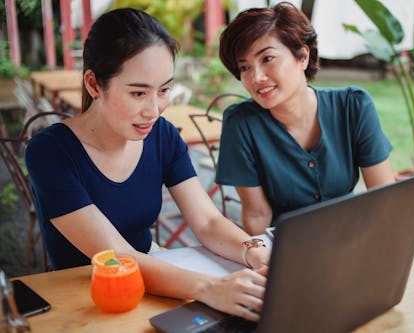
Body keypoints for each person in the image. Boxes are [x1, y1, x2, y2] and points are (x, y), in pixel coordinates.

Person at [25, 8, 269, 322]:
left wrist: (254, 250)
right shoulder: (51, 152)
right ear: (95, 84)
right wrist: (211, 288)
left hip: (151, 282)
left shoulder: (162, 136)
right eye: (138, 93)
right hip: (86, 300)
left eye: (164, 90)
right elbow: (116, 256)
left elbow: (207, 222)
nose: (154, 110)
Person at [216, 2, 395, 236]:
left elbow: (384, 198)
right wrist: (262, 262)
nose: (256, 77)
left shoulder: (353, 105)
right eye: (244, 67)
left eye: (267, 58)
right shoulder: (240, 123)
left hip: (353, 238)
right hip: (286, 248)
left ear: (302, 56)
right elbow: (256, 213)